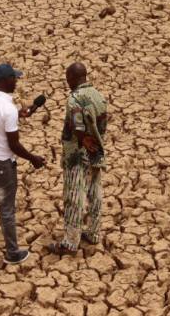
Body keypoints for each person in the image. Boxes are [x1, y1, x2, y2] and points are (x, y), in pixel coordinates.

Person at [0, 63, 46, 264]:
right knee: (6, 210)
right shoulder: (8, 109)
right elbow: (14, 145)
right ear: (5, 81)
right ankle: (12, 253)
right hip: (1, 166)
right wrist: (33, 159)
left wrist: (18, 115)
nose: (17, 81)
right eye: (14, 78)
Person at [47, 62, 109, 255]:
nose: (67, 81)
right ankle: (93, 232)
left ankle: (70, 242)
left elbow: (77, 128)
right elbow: (102, 125)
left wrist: (83, 141)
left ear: (73, 78)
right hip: (96, 152)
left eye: (68, 78)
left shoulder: (75, 99)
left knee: (74, 197)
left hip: (77, 154)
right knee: (94, 193)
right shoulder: (99, 96)